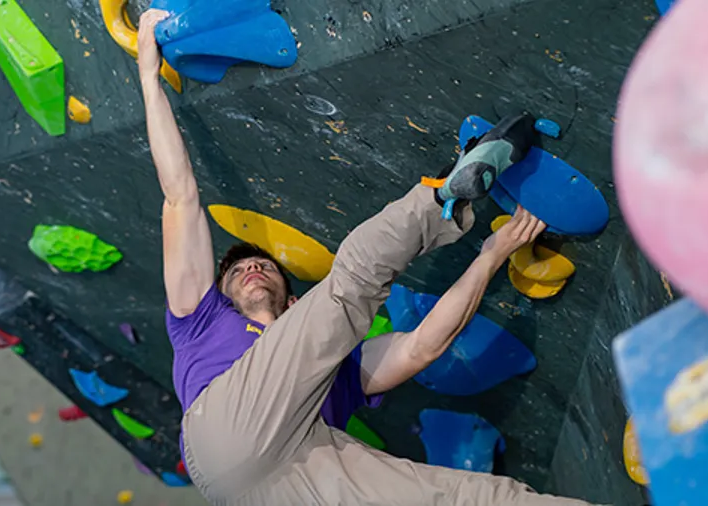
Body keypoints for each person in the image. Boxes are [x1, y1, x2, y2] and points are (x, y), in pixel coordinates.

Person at [138, 9, 593, 506]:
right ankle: (443, 198)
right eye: (237, 272)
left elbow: (420, 348)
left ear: (293, 304)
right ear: (215, 296)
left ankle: (450, 193)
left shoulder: (338, 366)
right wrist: (147, 74)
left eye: (264, 266)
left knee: (471, 498)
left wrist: (489, 256)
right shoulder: (196, 323)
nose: (251, 267)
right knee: (351, 281)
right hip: (221, 442)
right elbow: (179, 195)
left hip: (290, 480)